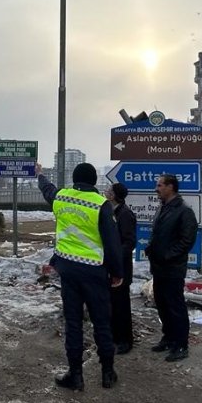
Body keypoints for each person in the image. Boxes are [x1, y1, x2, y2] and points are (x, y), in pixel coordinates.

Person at [38, 162, 124, 390]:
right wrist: (117, 272)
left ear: (75, 179)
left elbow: (48, 190)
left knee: (73, 324)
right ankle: (107, 373)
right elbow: (112, 243)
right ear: (94, 181)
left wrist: (39, 175)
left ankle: (75, 375)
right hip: (94, 272)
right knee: (102, 323)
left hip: (68, 271)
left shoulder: (62, 197)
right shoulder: (101, 205)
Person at [144, 173, 198, 362]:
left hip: (173, 268)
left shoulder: (184, 211)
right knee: (162, 304)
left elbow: (187, 240)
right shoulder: (163, 208)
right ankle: (168, 338)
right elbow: (157, 232)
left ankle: (181, 345)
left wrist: (168, 255)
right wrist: (151, 247)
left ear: (171, 187)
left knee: (175, 306)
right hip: (158, 267)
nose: (156, 189)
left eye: (159, 185)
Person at [105, 182, 136, 355]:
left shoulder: (125, 214)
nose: (106, 192)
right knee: (113, 305)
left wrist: (115, 256)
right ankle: (115, 337)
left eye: (109, 191)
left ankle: (125, 341)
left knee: (122, 306)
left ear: (114, 195)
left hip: (121, 269)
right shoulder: (111, 212)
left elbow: (129, 242)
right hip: (111, 267)